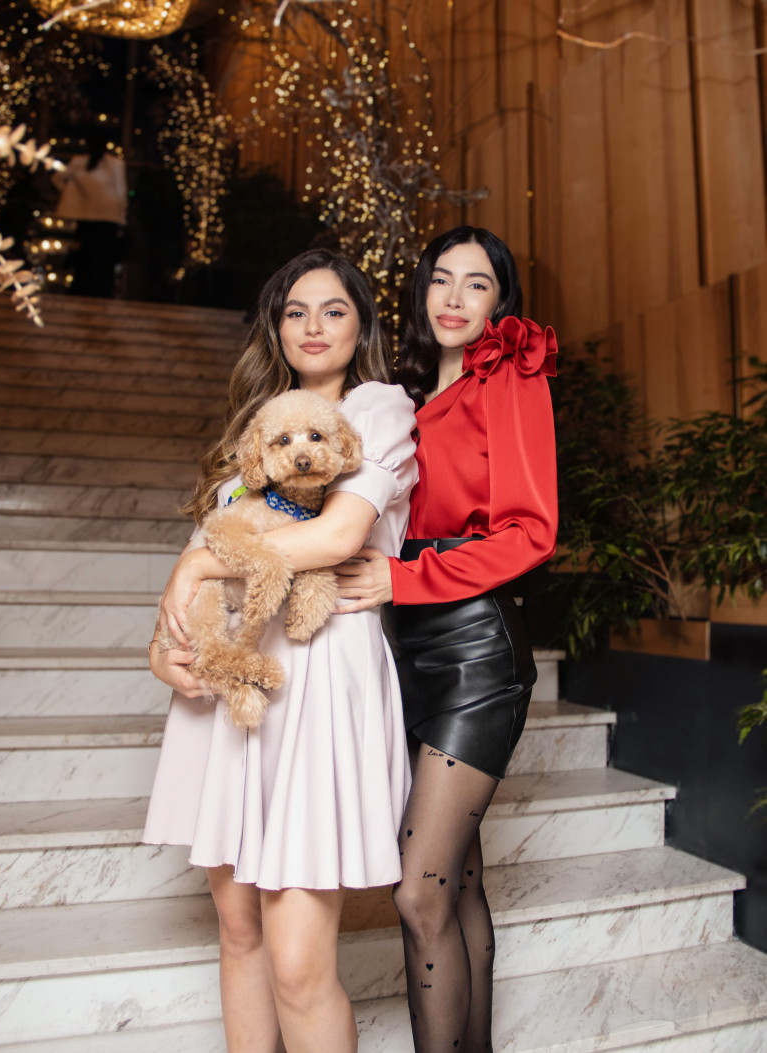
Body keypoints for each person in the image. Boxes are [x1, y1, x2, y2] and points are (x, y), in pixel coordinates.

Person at [143, 248, 417, 1053]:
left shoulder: (377, 407)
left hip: (319, 678)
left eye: (334, 309)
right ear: (276, 327)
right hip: (230, 691)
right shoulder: (255, 428)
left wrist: (198, 565)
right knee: (239, 933)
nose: (313, 326)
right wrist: (164, 650)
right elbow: (209, 544)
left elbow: (335, 536)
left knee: (298, 965)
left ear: (362, 324)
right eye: (296, 311)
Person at [335, 226, 558, 1052]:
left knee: (418, 890)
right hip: (410, 648)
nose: (454, 298)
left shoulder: (510, 377)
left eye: (476, 283)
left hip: (475, 648)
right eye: (441, 279)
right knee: (457, 883)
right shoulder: (405, 396)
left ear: (501, 302)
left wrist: (405, 579)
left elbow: (532, 533)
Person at [53, 133, 127, 297]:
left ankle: (83, 289)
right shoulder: (112, 164)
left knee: (86, 255)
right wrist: (122, 219)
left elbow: (57, 178)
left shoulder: (80, 163)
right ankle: (99, 291)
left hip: (90, 217)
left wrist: (71, 195)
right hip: (107, 217)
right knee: (101, 258)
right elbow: (121, 193)